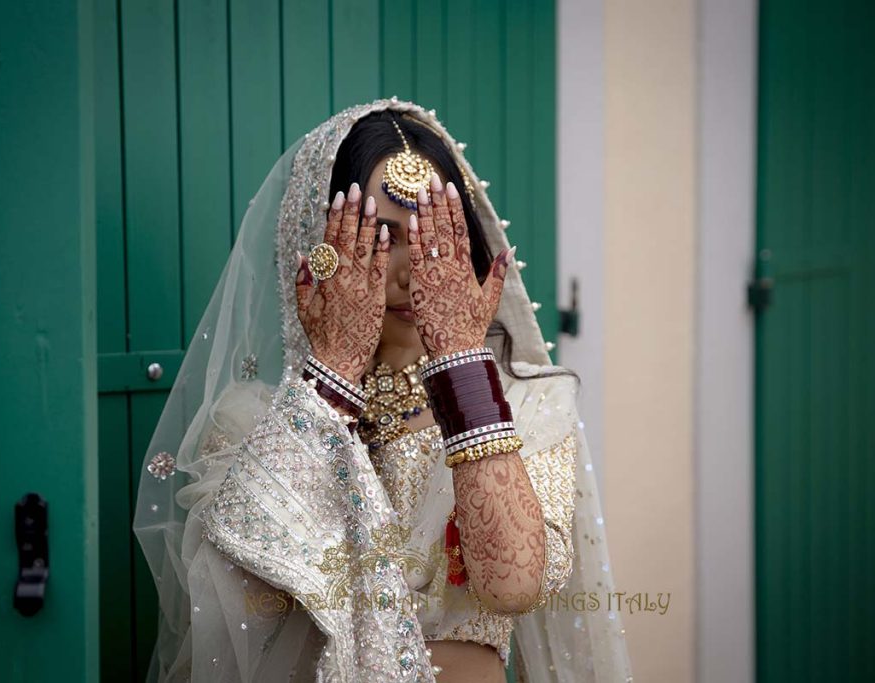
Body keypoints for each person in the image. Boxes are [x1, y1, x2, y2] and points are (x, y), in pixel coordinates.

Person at [133, 99, 632, 682]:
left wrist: (460, 366)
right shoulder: (255, 424)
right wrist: (333, 377)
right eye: (378, 236)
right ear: (317, 245)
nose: (409, 270)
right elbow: (237, 619)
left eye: (431, 233)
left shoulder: (526, 403)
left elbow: (512, 585)